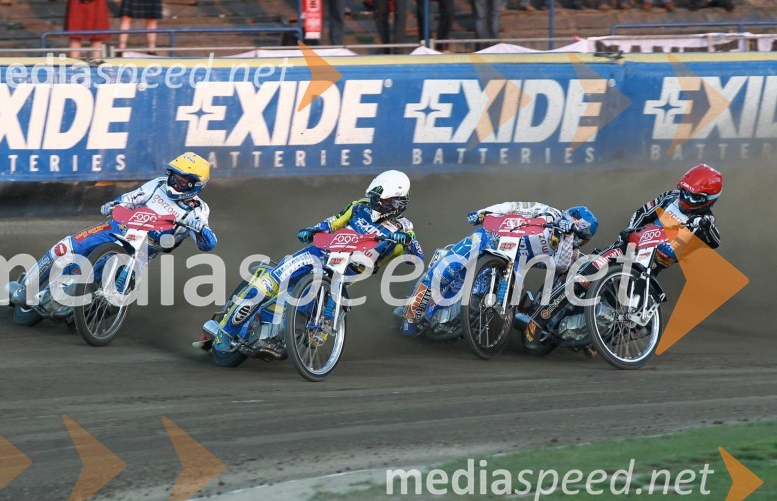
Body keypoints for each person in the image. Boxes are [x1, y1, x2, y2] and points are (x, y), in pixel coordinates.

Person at [214, 170, 423, 352]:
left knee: (314, 339)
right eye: (375, 198)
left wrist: (408, 242)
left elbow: (417, 260)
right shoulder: (359, 207)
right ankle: (225, 332)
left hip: (341, 277)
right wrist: (313, 229)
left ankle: (280, 338)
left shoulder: (404, 230)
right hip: (318, 253)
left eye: (382, 200)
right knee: (265, 286)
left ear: (398, 203)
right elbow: (332, 222)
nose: (375, 203)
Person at [523, 164, 721, 345]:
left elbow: (714, 240)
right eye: (684, 192)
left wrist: (703, 225)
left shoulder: (705, 222)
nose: (686, 200)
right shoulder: (670, 197)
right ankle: (540, 318)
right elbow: (643, 213)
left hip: (648, 269)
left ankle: (602, 340)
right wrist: (630, 230)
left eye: (694, 197)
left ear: (709, 201)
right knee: (588, 273)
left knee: (644, 326)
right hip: (626, 247)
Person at [10, 153, 217, 307]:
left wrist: (201, 230)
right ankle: (26, 287)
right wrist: (115, 204)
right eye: (175, 177)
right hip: (118, 227)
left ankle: (90, 307)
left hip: (145, 250)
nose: (176, 183)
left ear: (196, 185)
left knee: (120, 297)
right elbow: (131, 198)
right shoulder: (158, 184)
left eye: (183, 181)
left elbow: (208, 244)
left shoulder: (198, 209)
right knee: (65, 247)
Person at [399, 202, 598, 335]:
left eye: (582, 238)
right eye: (579, 235)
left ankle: (462, 323)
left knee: (480, 295)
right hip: (490, 236)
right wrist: (484, 212)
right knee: (446, 269)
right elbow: (512, 206)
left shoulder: (569, 247)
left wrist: (567, 236)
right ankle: (410, 315)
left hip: (514, 262)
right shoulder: (548, 212)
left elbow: (561, 265)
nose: (579, 241)